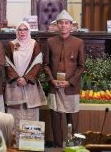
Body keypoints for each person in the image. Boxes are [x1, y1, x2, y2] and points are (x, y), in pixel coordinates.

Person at [44, 10, 85, 148]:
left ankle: (72, 146)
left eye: (66, 23)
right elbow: (46, 65)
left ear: (71, 26)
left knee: (71, 119)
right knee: (55, 118)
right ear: (56, 25)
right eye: (60, 23)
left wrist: (70, 82)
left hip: (71, 87)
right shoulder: (50, 42)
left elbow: (81, 66)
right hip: (54, 86)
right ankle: (57, 147)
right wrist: (51, 80)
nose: (63, 26)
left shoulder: (78, 42)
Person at [4, 21, 47, 144]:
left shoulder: (35, 44)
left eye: (25, 29)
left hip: (30, 85)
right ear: (16, 31)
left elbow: (38, 63)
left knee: (31, 115)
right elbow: (6, 63)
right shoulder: (11, 45)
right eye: (19, 29)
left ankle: (31, 144)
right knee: (15, 116)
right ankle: (15, 144)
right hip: (15, 84)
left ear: (29, 31)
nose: (22, 32)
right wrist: (17, 78)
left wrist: (26, 78)